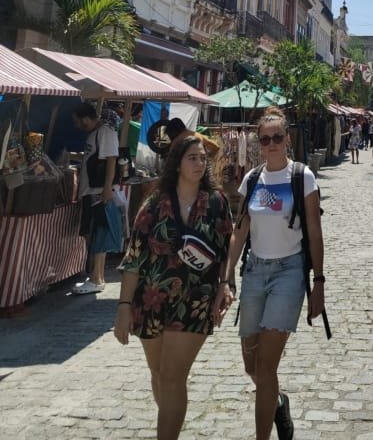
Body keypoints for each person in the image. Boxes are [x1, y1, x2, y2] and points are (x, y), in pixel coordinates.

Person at [113, 135, 233, 440]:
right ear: (177, 162)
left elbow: (226, 249)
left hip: (195, 302)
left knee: (172, 376)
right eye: (192, 157)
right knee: (159, 375)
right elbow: (135, 256)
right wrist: (124, 307)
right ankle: (170, 419)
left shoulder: (216, 202)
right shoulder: (155, 202)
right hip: (151, 300)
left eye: (203, 158)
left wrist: (226, 284)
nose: (199, 163)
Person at [217, 106, 325, 440]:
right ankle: (278, 401)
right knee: (252, 365)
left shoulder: (302, 177)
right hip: (255, 272)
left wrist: (318, 283)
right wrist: (227, 275)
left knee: (265, 366)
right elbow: (240, 230)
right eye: (265, 139)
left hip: (288, 273)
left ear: (287, 139)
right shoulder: (252, 179)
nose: (271, 144)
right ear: (258, 144)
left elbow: (315, 232)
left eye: (277, 137)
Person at [73, 101, 119, 294]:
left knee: (99, 234)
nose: (76, 126)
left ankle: (95, 278)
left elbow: (111, 160)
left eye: (77, 122)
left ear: (85, 119)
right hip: (91, 191)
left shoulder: (105, 132)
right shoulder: (94, 134)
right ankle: (96, 277)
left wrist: (107, 187)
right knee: (95, 234)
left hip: (99, 192)